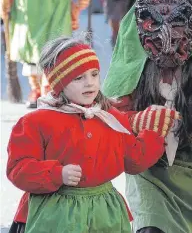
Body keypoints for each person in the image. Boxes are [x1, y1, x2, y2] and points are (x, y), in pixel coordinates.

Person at [7, 36, 180, 233]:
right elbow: (18, 169)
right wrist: (57, 174)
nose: (89, 83)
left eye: (94, 74)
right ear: (59, 83)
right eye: (79, 78)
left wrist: (153, 134)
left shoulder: (110, 118)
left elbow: (134, 159)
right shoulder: (36, 123)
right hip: (54, 213)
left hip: (103, 213)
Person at [102, 0, 192, 233]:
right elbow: (105, 115)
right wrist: (135, 121)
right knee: (152, 226)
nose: (168, 38)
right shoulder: (133, 56)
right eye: (155, 25)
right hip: (151, 168)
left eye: (178, 24)